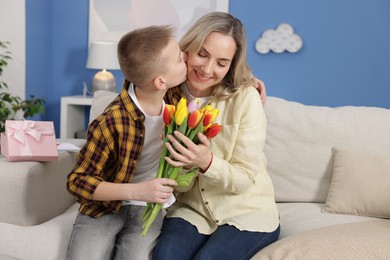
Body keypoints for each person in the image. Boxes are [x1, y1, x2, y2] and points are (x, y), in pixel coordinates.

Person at [153, 12, 280, 260]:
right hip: (191, 210)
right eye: (202, 54)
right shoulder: (166, 93)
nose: (207, 69)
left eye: (221, 63)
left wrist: (206, 163)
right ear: (188, 48)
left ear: (232, 65)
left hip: (247, 212)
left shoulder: (245, 98)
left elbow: (243, 178)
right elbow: (136, 77)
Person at [66, 25, 188, 260]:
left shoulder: (174, 97)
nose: (187, 59)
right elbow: (78, 182)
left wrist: (246, 80)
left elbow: (212, 74)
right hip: (105, 207)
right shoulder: (111, 121)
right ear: (160, 81)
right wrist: (139, 190)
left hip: (148, 209)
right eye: (180, 58)